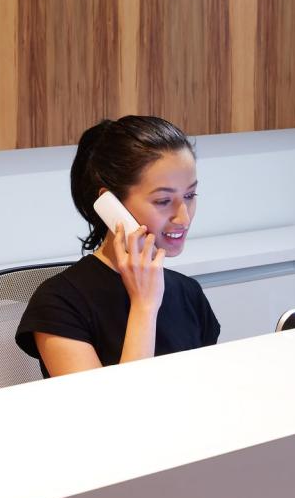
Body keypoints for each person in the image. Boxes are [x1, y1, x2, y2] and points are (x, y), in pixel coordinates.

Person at [15, 115, 220, 378]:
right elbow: (112, 413)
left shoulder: (188, 293)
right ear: (111, 206)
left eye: (190, 196)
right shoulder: (59, 304)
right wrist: (144, 306)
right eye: (163, 200)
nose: (184, 217)